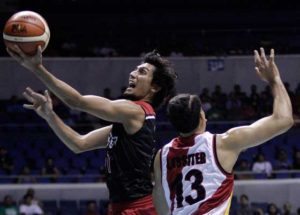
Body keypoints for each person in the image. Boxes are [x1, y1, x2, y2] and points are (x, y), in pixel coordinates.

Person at [7, 46, 177, 214]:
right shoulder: (128, 123)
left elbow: (77, 101)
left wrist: (37, 68)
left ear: (154, 87)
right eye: (135, 70)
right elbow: (79, 144)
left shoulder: (136, 111)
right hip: (122, 206)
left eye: (142, 72)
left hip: (139, 207)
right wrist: (50, 115)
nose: (132, 74)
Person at [152, 48, 294, 215]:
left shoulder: (161, 157)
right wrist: (274, 80)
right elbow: (284, 120)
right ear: (201, 117)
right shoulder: (223, 143)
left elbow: (160, 206)